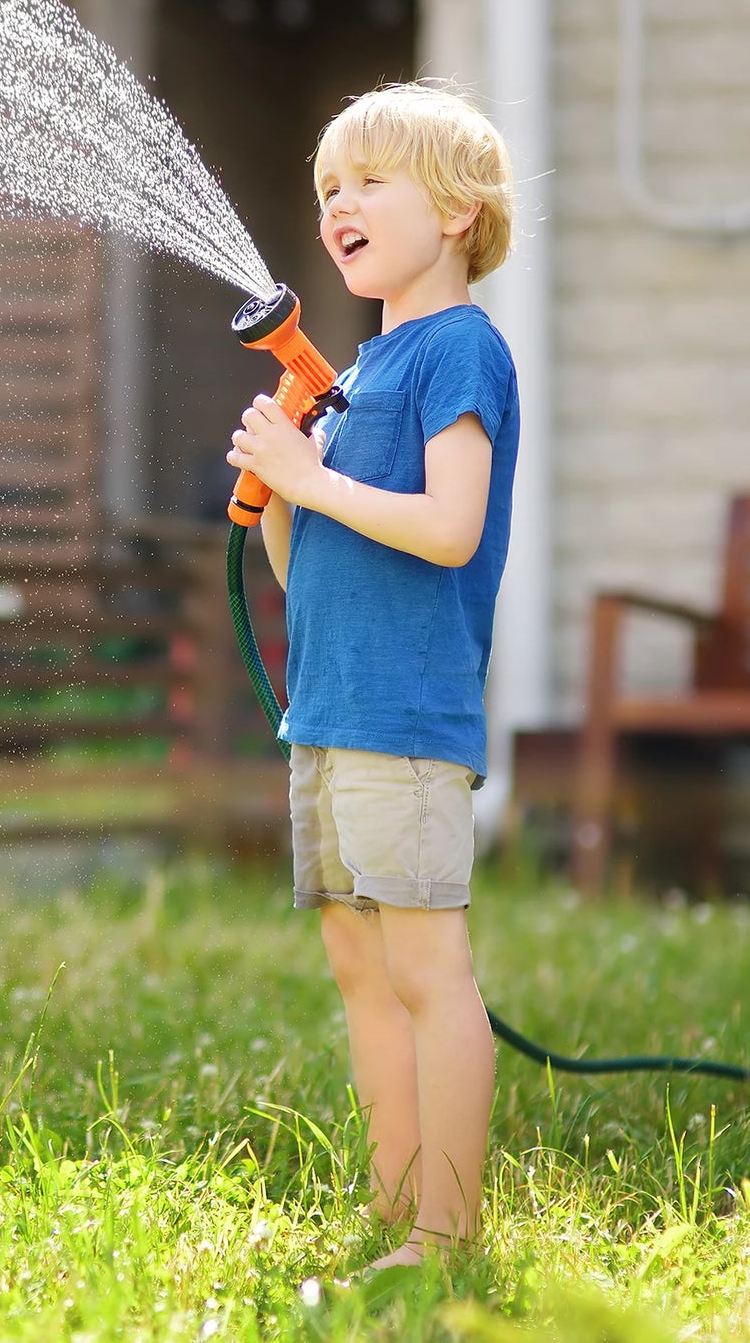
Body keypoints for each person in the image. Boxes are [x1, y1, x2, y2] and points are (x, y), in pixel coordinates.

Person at [226, 81, 518, 1272]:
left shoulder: (460, 349)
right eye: (326, 190)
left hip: (401, 711)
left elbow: (447, 527)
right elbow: (312, 572)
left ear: (453, 210)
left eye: (367, 182)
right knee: (358, 961)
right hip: (330, 707)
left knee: (423, 966)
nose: (338, 204)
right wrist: (271, 499)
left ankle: (448, 1231)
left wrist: (311, 475)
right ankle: (395, 1204)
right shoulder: (362, 365)